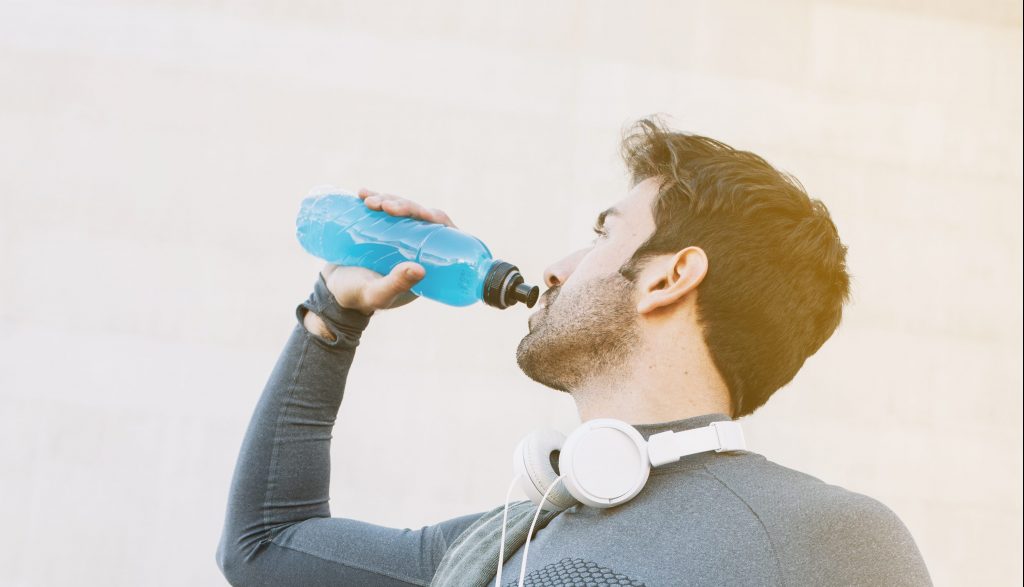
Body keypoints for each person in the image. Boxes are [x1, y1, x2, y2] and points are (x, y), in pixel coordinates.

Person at [215, 116, 932, 586]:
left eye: (600, 232)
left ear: (671, 276)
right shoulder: (503, 547)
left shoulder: (834, 538)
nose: (556, 267)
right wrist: (333, 313)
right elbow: (264, 546)